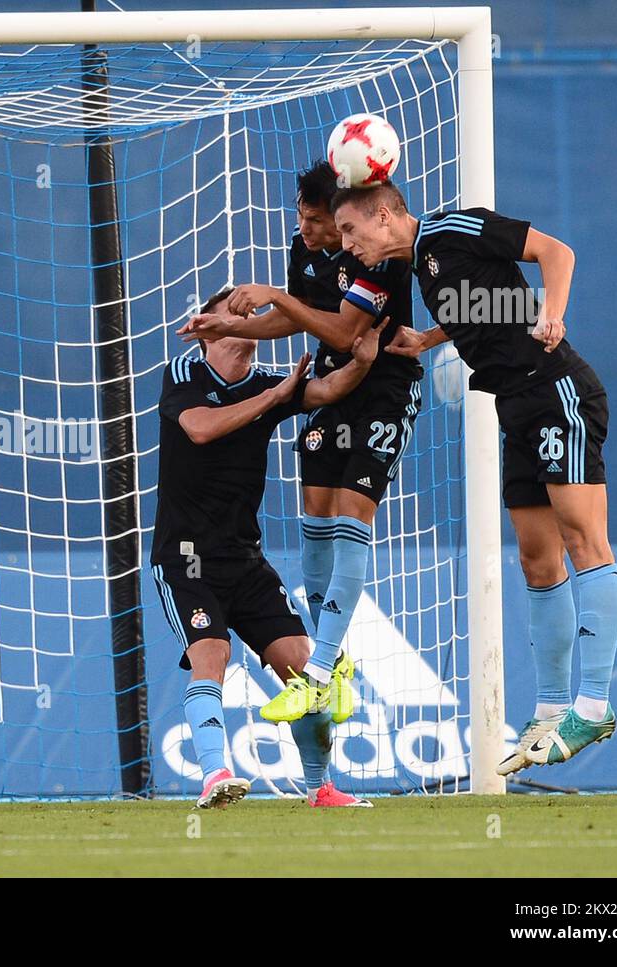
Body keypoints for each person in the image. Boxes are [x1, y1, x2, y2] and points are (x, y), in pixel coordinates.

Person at [330, 184, 617, 772]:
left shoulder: (454, 228)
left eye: (350, 232)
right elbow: (488, 307)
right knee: (538, 561)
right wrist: (430, 339)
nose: (346, 245)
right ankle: (551, 707)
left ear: (383, 215)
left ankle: (594, 705)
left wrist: (553, 313)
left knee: (583, 541)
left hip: (555, 390)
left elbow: (557, 253)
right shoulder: (423, 266)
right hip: (514, 406)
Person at [153, 287, 386, 808]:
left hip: (245, 560)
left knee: (305, 668)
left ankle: (319, 787)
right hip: (186, 557)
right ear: (207, 326)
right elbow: (200, 428)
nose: (249, 320)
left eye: (252, 311)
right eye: (234, 311)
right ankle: (216, 776)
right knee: (213, 653)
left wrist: (363, 362)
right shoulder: (185, 374)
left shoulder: (266, 382)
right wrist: (274, 399)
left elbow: (325, 391)